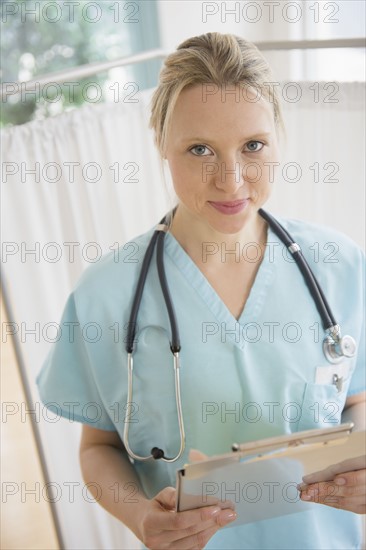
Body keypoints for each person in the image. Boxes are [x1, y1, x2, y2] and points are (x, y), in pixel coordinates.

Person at [37, 32, 365, 549]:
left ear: (279, 138)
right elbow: (98, 448)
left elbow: (355, 402)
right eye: (200, 150)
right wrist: (143, 517)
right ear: (162, 147)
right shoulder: (105, 296)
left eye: (252, 146)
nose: (231, 180)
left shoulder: (340, 266)